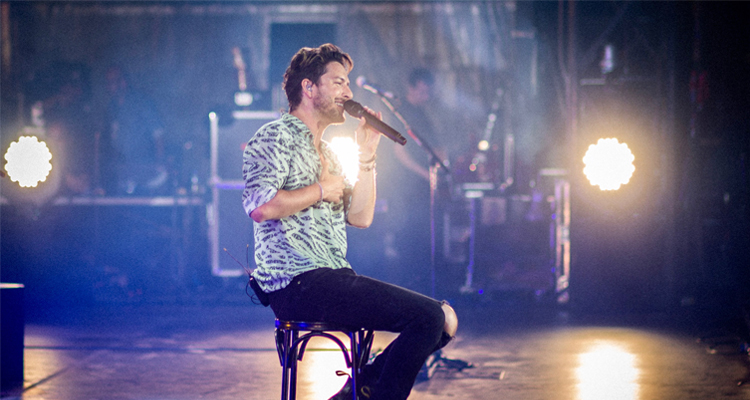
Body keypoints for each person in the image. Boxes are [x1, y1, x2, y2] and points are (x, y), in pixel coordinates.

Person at [242, 44, 457, 400]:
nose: (349, 93)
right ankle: (364, 392)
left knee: (444, 319)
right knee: (430, 318)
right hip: (296, 283)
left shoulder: (328, 152)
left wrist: (367, 157)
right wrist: (320, 188)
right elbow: (261, 207)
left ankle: (358, 390)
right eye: (339, 82)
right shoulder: (274, 136)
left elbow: (360, 217)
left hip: (333, 278)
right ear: (309, 88)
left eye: (348, 84)